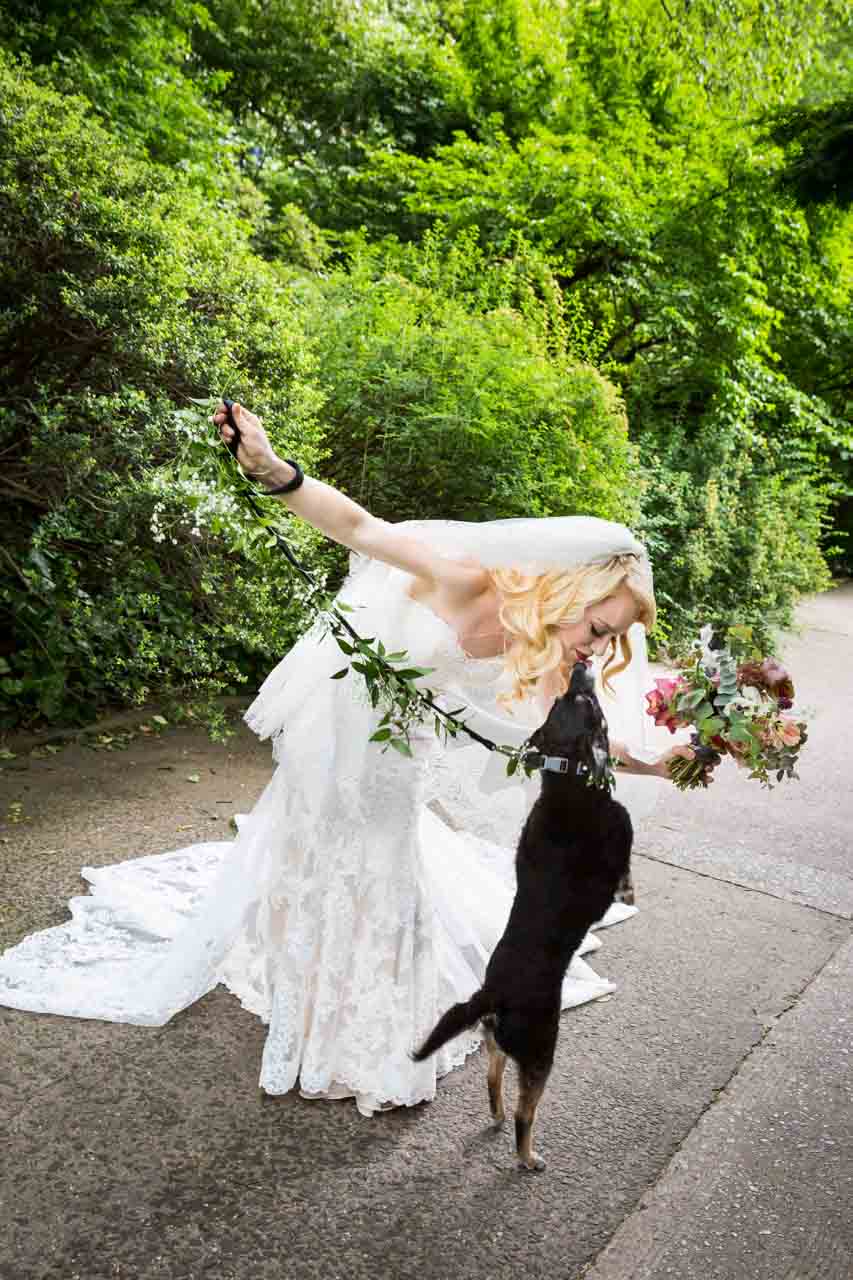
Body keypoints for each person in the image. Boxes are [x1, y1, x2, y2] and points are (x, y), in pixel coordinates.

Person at [0, 403, 697, 1117]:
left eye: (610, 639)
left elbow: (583, 741)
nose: (598, 647)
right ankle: (292, 966)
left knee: (380, 861)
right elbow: (361, 529)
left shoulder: (546, 653)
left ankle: (362, 1032)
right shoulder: (466, 581)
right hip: (337, 719)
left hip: (398, 755)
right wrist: (274, 470)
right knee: (313, 842)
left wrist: (660, 759)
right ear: (566, 592)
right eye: (598, 627)